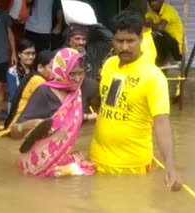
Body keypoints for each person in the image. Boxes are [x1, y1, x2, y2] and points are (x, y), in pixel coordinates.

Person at [88, 11, 182, 191]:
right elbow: (105, 105)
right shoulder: (109, 65)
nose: (124, 47)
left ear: (141, 38)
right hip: (96, 162)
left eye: (130, 41)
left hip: (132, 169)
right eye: (119, 41)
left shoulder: (153, 77)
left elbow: (161, 123)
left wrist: (169, 167)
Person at [11, 48, 95, 177]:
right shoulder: (44, 92)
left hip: (62, 158)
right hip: (38, 164)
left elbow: (69, 123)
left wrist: (91, 117)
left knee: (89, 169)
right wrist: (31, 124)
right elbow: (14, 131)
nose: (78, 79)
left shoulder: (76, 92)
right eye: (72, 74)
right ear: (61, 71)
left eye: (81, 73)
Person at [0, 50, 54, 137]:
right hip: (18, 126)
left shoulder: (35, 77)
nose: (56, 72)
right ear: (40, 67)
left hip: (18, 123)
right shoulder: (38, 81)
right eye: (51, 68)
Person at [145, 0, 183, 65]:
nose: (152, 4)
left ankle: (167, 60)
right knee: (147, 37)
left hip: (176, 47)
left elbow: (160, 27)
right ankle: (159, 60)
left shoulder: (169, 11)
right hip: (162, 45)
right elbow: (146, 25)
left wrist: (151, 25)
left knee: (159, 33)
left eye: (154, 1)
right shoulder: (150, 13)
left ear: (162, 1)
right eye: (150, 2)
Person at [6, 38, 35, 113]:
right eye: (27, 53)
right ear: (19, 54)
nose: (31, 57)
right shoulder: (12, 72)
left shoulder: (36, 71)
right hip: (16, 111)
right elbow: (13, 96)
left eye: (33, 53)